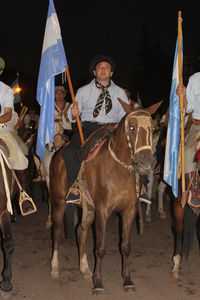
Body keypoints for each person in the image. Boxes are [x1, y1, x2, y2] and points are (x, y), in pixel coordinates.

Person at [63, 54, 129, 202]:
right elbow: (71, 114)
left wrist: (120, 126)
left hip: (113, 128)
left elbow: (125, 115)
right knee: (71, 151)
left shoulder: (120, 92)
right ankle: (73, 187)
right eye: (100, 68)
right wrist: (73, 114)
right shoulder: (83, 91)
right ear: (95, 72)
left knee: (135, 147)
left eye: (107, 68)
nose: (103, 70)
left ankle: (140, 187)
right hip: (89, 127)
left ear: (111, 73)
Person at [0, 56, 36, 216]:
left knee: (20, 157)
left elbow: (7, 115)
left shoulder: (6, 90)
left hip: (0, 128)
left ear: (0, 71)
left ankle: (24, 195)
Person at [176, 73, 200, 176]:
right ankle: (190, 190)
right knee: (187, 152)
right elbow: (188, 107)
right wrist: (183, 96)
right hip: (198, 127)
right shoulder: (195, 79)